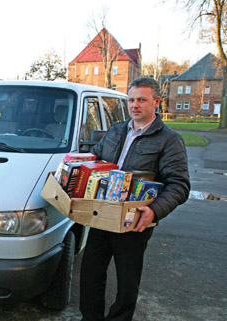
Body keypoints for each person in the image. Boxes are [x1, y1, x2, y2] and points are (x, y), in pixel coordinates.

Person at [79, 77, 190, 321]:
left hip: (134, 221)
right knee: (90, 275)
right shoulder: (116, 130)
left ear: (156, 102)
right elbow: (95, 158)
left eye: (142, 99)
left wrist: (155, 211)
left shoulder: (169, 140)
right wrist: (77, 164)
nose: (135, 105)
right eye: (131, 99)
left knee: (127, 285)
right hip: (102, 215)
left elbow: (179, 185)